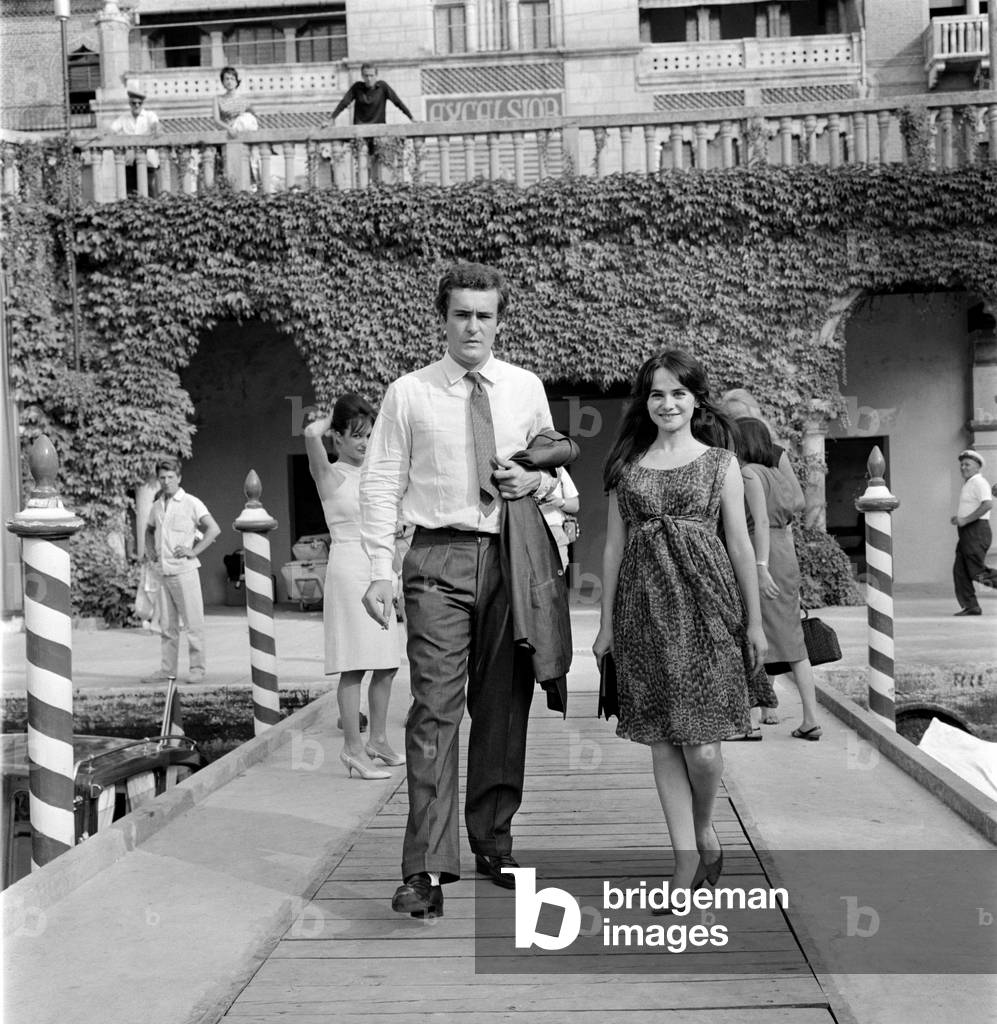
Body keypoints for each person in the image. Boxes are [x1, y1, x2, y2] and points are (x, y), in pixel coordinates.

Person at [359, 261, 573, 920]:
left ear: (499, 321)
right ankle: (424, 867)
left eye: (484, 315)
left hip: (514, 555)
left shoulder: (524, 388)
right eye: (461, 314)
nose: (472, 326)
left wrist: (534, 485)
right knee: (434, 711)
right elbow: (379, 480)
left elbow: (558, 483)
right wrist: (375, 568)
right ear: (442, 319)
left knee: (504, 707)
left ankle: (492, 839)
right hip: (437, 558)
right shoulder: (409, 393)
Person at [592, 350, 767, 909]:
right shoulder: (627, 466)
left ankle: (706, 827)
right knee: (664, 740)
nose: (667, 404)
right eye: (656, 394)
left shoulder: (721, 463)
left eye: (678, 394)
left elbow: (739, 544)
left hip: (709, 606)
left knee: (705, 750)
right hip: (643, 612)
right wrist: (605, 624)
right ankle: (684, 860)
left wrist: (756, 621)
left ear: (696, 400)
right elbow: (613, 546)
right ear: (645, 403)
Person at [304, 395, 403, 781]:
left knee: (388, 663)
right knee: (354, 664)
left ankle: (377, 739)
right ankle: (352, 747)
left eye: (368, 434)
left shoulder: (378, 474)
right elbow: (311, 432)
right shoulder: (329, 474)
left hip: (380, 567)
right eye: (356, 435)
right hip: (347, 568)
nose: (364, 442)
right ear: (338, 438)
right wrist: (335, 413)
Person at [737, 418, 822, 739]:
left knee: (752, 632)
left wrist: (759, 565)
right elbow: (797, 505)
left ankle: (750, 720)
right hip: (785, 550)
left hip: (763, 552)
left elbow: (758, 521)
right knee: (793, 640)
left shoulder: (748, 473)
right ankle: (810, 719)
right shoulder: (776, 474)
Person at [142, 458, 220, 684]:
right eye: (162, 478)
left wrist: (193, 551)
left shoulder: (191, 502)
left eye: (170, 477)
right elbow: (148, 531)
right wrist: (151, 553)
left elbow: (214, 529)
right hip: (163, 572)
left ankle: (197, 669)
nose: (166, 482)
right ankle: (168, 670)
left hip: (185, 572)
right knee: (167, 627)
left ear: (179, 478)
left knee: (194, 624)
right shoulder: (156, 506)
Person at [951, 449, 993, 616]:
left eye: (967, 464)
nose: (963, 467)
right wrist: (960, 519)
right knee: (960, 571)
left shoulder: (979, 482)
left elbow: (987, 505)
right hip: (967, 532)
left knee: (977, 572)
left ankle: (971, 605)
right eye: (961, 464)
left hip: (976, 531)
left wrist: (965, 520)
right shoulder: (969, 483)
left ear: (977, 467)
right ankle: (971, 606)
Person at [327, 63, 415, 128]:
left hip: (378, 129)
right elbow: (344, 103)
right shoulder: (357, 87)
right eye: (366, 76)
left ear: (376, 75)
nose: (369, 79)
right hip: (360, 129)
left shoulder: (382, 87)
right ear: (362, 76)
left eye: (371, 75)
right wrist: (332, 119)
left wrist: (411, 118)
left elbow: (398, 102)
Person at [109, 89, 161, 196]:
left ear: (142, 104)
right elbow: (111, 130)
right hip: (130, 163)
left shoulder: (149, 115)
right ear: (130, 104)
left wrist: (157, 130)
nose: (136, 105)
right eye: (134, 103)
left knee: (150, 194)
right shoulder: (124, 118)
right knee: (131, 195)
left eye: (139, 103)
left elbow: (156, 124)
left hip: (148, 163)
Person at [538, 467, 580, 569]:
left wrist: (559, 502)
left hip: (555, 531)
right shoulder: (522, 466)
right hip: (529, 529)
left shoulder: (558, 469)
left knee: (557, 575)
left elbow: (575, 505)